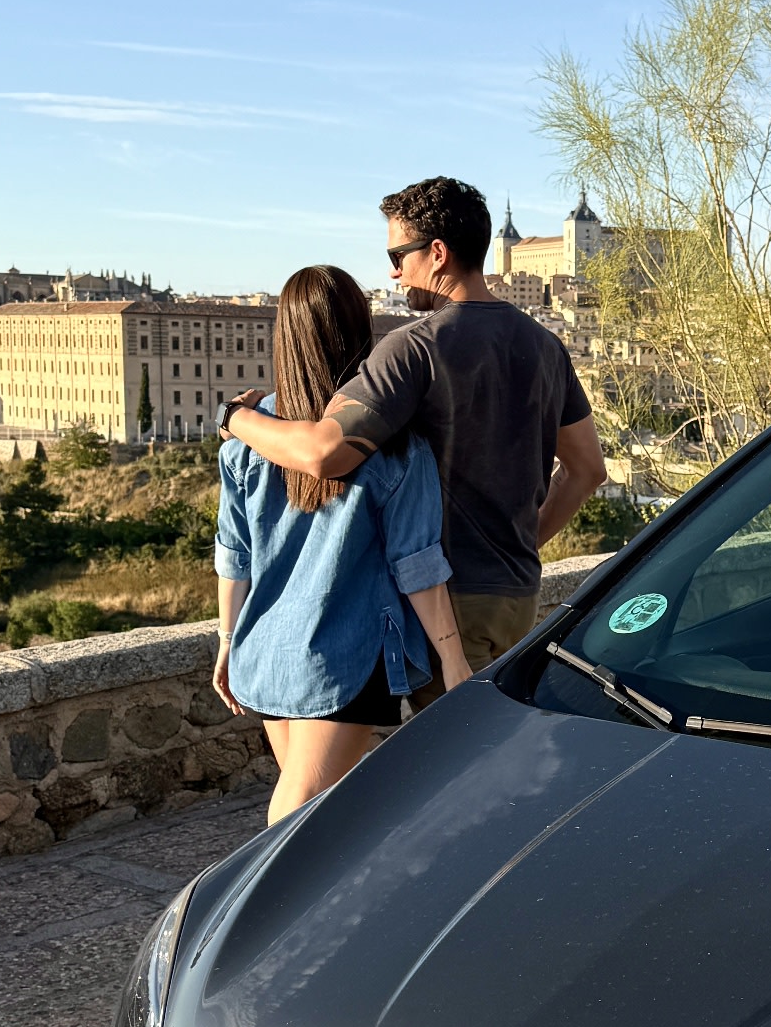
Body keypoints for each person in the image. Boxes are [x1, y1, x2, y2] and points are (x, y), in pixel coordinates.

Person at [223, 179, 606, 700]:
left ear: (438, 253)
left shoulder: (414, 349)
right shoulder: (545, 346)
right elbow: (587, 471)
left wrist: (235, 420)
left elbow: (323, 454)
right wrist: (522, 544)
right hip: (517, 595)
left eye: (398, 254)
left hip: (447, 600)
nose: (393, 272)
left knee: (447, 770)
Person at [214, 263, 468, 820]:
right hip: (346, 658)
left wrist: (229, 641)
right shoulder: (394, 444)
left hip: (269, 649)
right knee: (294, 824)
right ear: (361, 333)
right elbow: (416, 562)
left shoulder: (247, 435)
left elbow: (234, 556)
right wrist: (453, 658)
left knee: (318, 815)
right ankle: (249, 906)